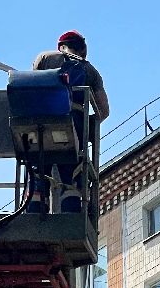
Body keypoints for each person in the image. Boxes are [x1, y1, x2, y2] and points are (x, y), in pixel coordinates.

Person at [25, 31, 108, 213]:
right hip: (73, 129)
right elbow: (104, 111)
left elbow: (31, 89)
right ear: (83, 50)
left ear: (61, 47)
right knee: (70, 175)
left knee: (39, 171)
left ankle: (34, 211)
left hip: (42, 125)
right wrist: (89, 127)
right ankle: (71, 213)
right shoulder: (90, 70)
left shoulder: (45, 57)